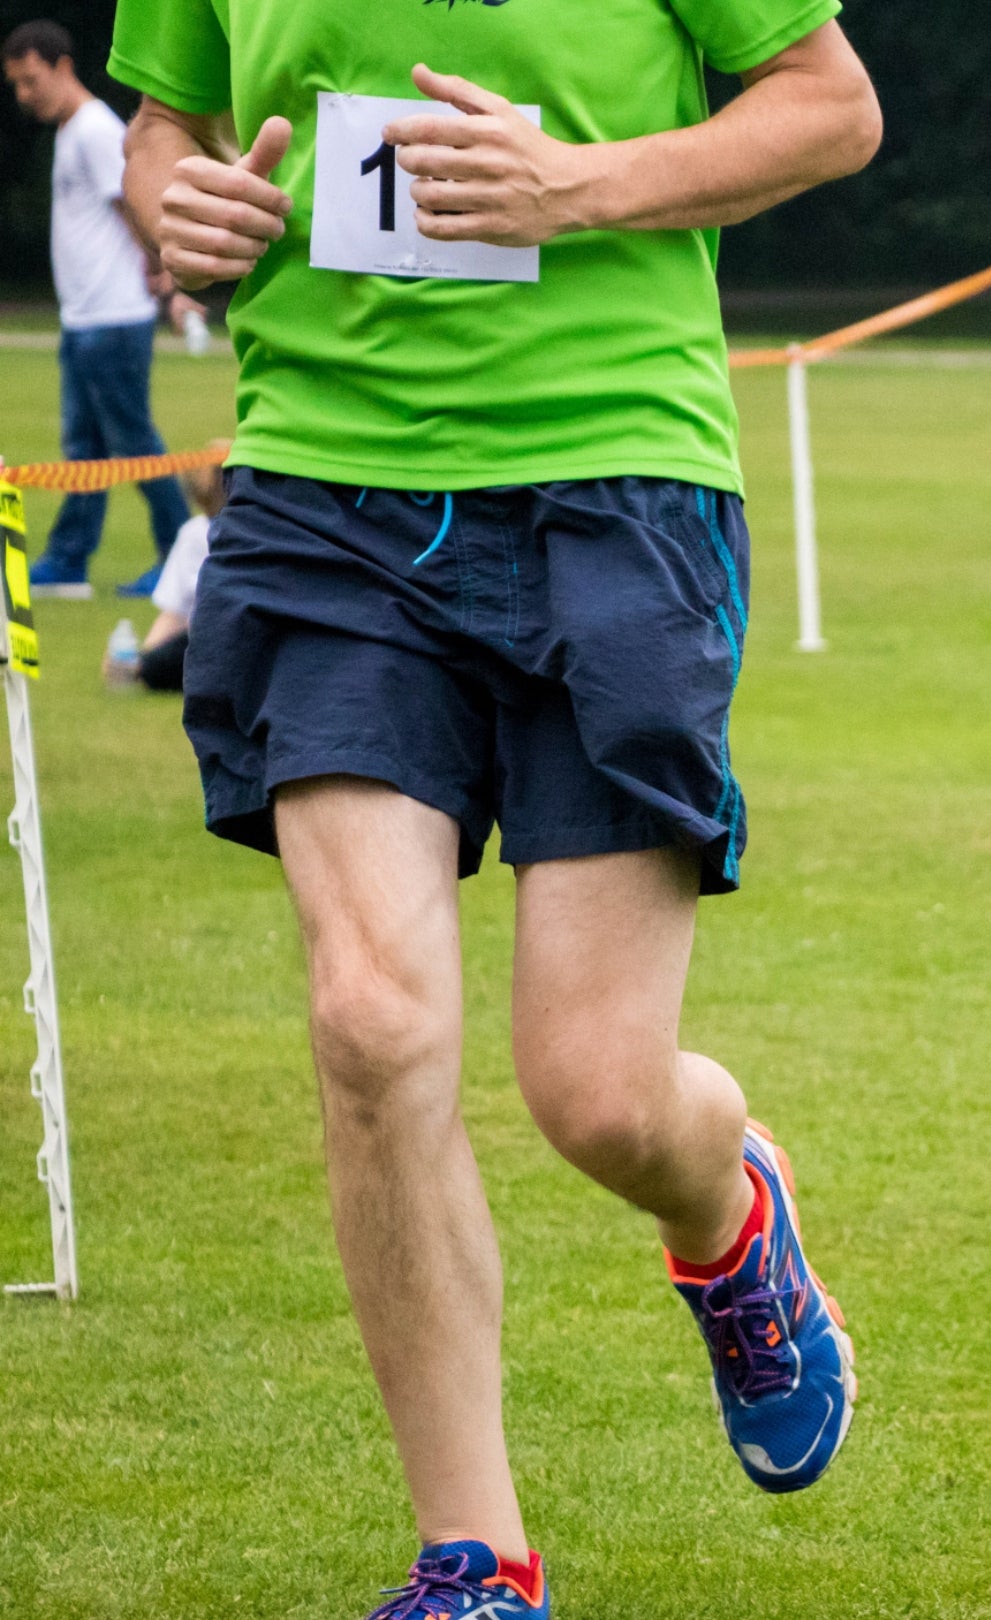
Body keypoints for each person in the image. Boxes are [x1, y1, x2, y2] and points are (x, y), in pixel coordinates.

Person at [113, 1, 882, 1614]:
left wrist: (576, 185)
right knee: (372, 1025)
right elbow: (163, 128)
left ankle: (730, 1212)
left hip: (615, 477)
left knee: (598, 1092)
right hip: (322, 489)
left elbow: (828, 109)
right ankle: (479, 1561)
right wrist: (175, 199)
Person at [5, 19, 195, 600]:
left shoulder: (93, 129)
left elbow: (132, 203)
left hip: (114, 318)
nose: (23, 95)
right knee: (83, 452)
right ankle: (68, 561)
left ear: (63, 67)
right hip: (84, 318)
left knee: (135, 444)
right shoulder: (69, 132)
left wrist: (167, 280)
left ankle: (178, 555)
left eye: (31, 79)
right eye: (14, 84)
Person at [102, 440, 223, 692]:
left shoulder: (245, 532)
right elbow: (175, 611)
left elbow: (175, 613)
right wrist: (144, 661)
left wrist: (143, 664)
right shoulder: (194, 534)